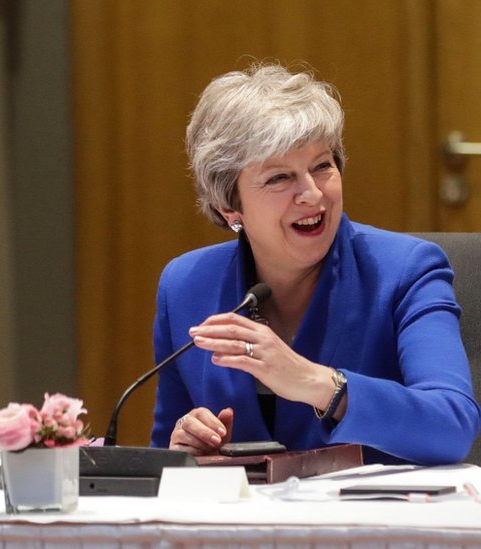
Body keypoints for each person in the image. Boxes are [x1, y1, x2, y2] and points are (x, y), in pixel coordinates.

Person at [150, 63, 480, 465]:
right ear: (229, 207)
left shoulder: (405, 270)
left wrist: (317, 384)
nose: (311, 194)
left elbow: (452, 427)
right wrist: (184, 450)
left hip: (377, 523)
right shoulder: (185, 285)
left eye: (322, 166)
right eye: (279, 178)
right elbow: (162, 456)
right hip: (245, 523)